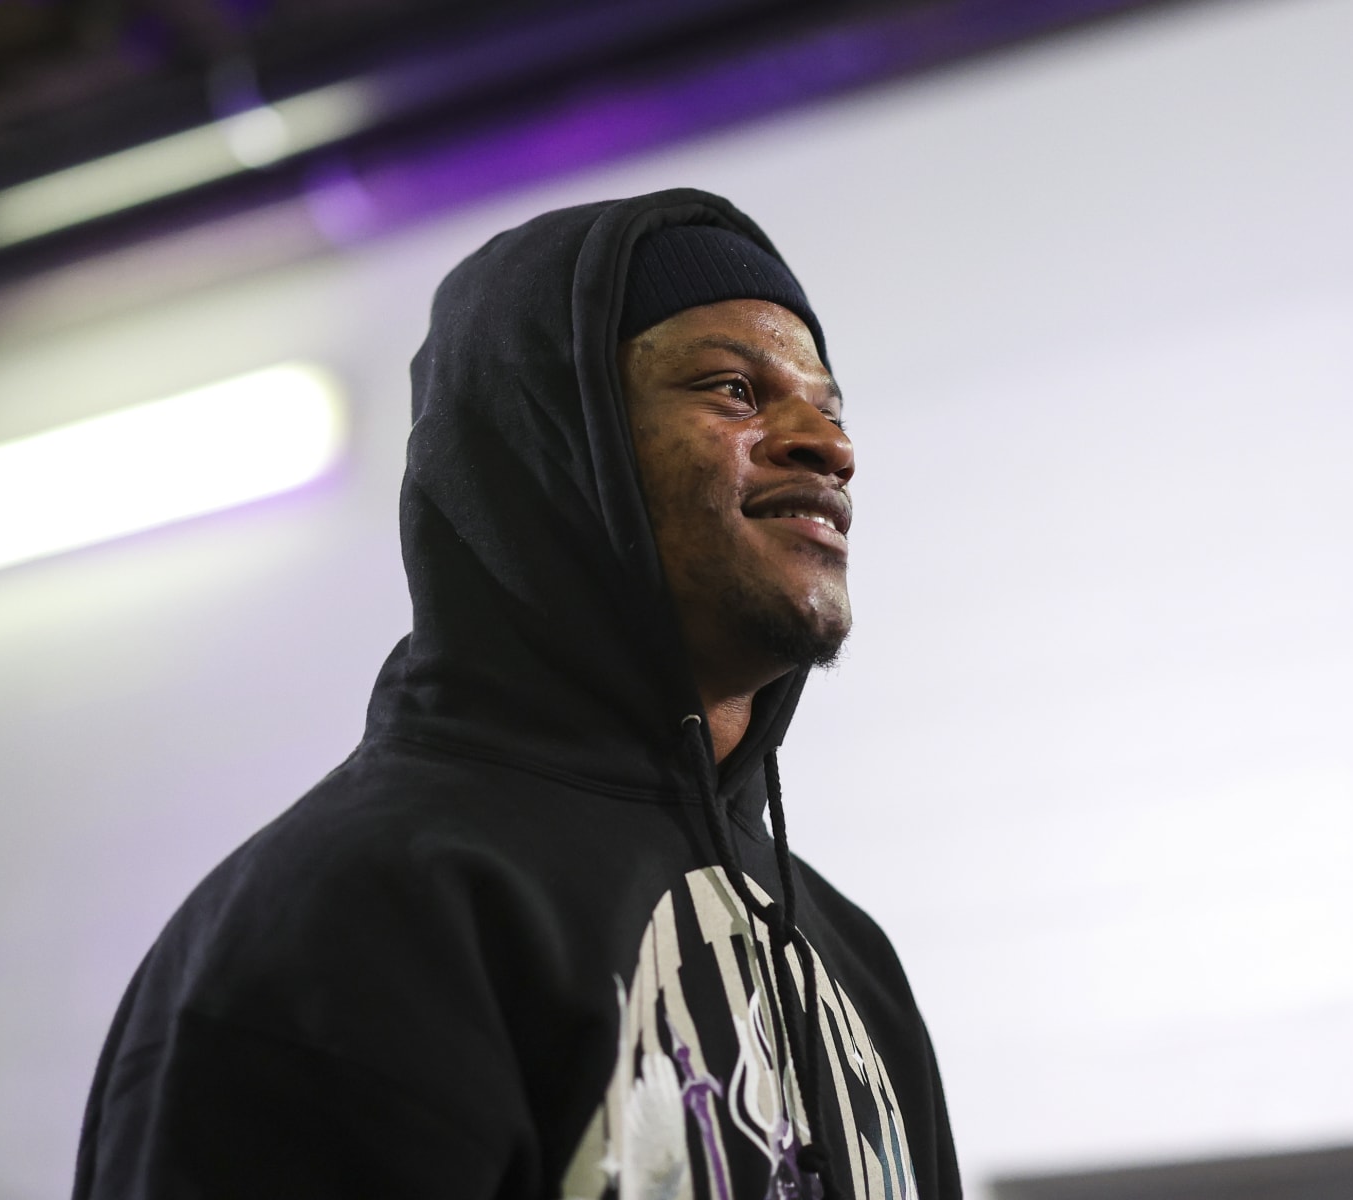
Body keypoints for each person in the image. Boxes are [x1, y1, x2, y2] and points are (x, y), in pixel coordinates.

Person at [72, 188, 959, 1200]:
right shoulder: (353, 918)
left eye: (829, 408)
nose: (829, 446)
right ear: (553, 449)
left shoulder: (847, 960)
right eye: (733, 390)